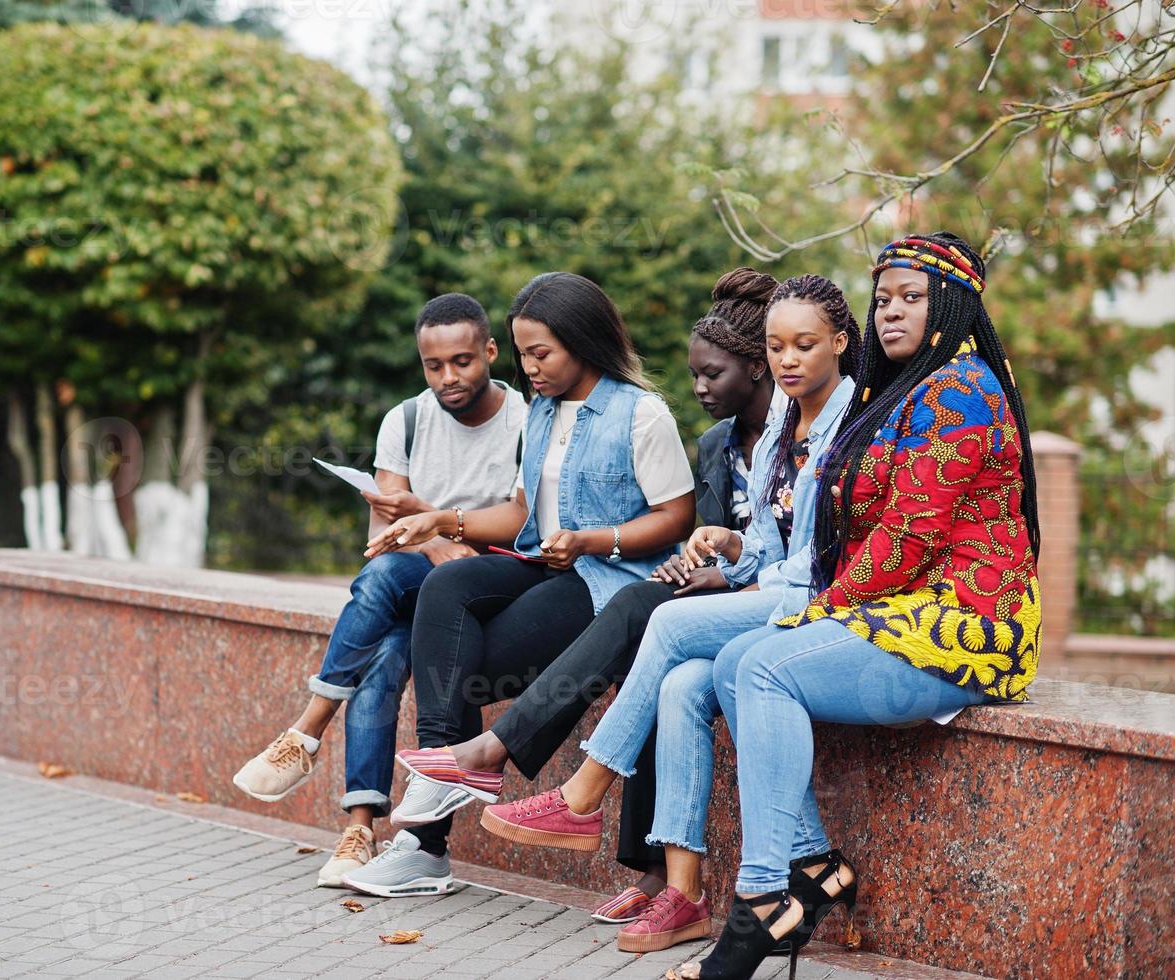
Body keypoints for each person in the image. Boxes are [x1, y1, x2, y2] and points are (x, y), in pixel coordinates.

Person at [364, 268, 781, 921]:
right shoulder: (539, 414)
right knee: (445, 583)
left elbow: (674, 518)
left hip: (606, 576)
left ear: (581, 342)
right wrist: (440, 520)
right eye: (523, 352)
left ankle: (452, 791)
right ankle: (441, 784)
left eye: (540, 353)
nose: (529, 367)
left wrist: (596, 539)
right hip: (545, 564)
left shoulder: (638, 412)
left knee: (478, 658)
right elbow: (523, 511)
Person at [687, 232, 1042, 980]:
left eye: (910, 298)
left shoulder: (959, 391)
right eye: (881, 298)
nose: (890, 312)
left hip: (969, 624)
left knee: (762, 669)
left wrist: (817, 612)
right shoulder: (902, 392)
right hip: (903, 614)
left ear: (950, 303)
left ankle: (759, 902)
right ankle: (812, 867)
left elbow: (906, 537)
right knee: (728, 665)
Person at [482, 275, 862, 955]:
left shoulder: (854, 420)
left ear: (838, 342)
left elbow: (816, 564)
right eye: (777, 346)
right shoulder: (781, 422)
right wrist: (731, 546)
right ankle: (683, 894)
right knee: (681, 682)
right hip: (778, 585)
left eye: (803, 345)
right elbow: (771, 546)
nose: (787, 359)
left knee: (665, 622)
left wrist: (751, 582)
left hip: (830, 602)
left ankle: (583, 792)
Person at [231, 292, 527, 888]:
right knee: (385, 652)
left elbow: (524, 522)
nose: (449, 377)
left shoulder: (526, 419)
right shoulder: (407, 419)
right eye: (433, 365)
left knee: (388, 586)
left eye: (463, 361)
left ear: (491, 351)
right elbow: (383, 535)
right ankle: (361, 830)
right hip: (421, 575)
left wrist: (440, 527)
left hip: (491, 583)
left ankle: (309, 729)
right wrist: (435, 545)